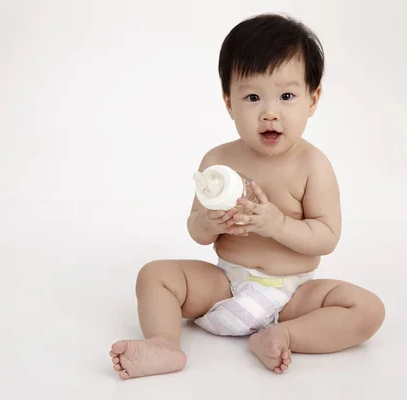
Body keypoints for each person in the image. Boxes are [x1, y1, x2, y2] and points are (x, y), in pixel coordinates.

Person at [109, 13, 385, 379]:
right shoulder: (218, 160)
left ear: (312, 100)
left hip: (293, 297)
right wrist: (209, 223)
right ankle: (164, 343)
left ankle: (282, 335)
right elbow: (196, 230)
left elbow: (326, 236)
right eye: (253, 97)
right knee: (154, 275)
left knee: (367, 309)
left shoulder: (313, 165)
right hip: (225, 285)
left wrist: (277, 224)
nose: (270, 113)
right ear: (229, 103)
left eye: (287, 96)